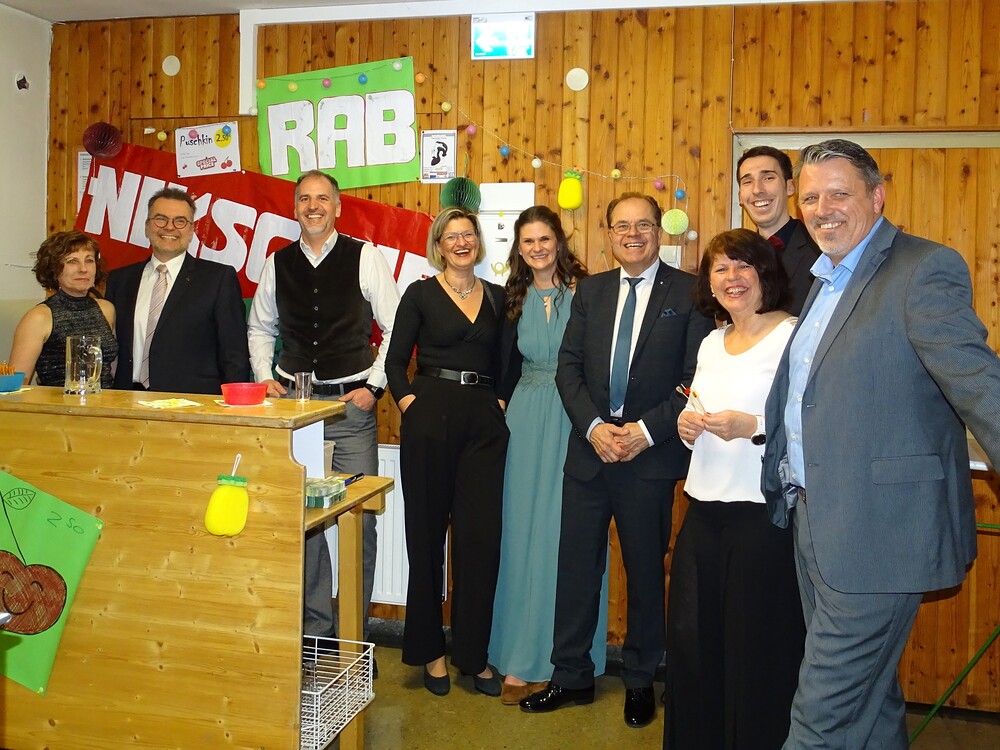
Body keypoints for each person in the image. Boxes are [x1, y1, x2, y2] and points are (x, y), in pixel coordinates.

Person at [762, 139, 1000, 749]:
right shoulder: (825, 278)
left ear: (877, 196)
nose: (822, 210)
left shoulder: (923, 269)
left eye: (838, 194)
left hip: (880, 532)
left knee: (819, 719)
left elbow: (980, 384)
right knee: (869, 702)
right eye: (810, 198)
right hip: (816, 521)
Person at [521, 193, 715, 728]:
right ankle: (571, 676)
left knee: (645, 573)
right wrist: (593, 427)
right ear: (608, 234)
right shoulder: (593, 291)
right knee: (576, 570)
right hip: (590, 454)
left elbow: (694, 377)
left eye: (643, 225)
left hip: (648, 459)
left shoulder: (689, 293)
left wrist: (645, 433)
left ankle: (639, 680)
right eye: (622, 226)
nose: (633, 234)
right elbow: (568, 366)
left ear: (659, 232)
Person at [665, 228, 804, 750]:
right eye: (720, 268)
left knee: (756, 651)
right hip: (703, 511)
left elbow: (808, 422)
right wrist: (686, 423)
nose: (732, 278)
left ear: (765, 272)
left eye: (743, 265)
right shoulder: (711, 341)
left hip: (761, 516)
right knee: (695, 646)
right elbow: (695, 405)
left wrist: (752, 427)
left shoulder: (793, 336)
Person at [248, 170, 399, 648]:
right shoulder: (277, 263)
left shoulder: (365, 256)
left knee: (360, 521)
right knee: (304, 524)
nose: (313, 206)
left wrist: (373, 388)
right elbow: (260, 328)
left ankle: (354, 640)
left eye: (322, 199)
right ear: (295, 207)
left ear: (337, 207)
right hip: (296, 412)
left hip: (351, 412)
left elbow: (396, 327)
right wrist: (264, 377)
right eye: (304, 199)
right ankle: (316, 634)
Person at [385, 206, 508, 698]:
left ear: (478, 241)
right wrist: (411, 406)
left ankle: (473, 656)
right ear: (438, 246)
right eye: (451, 236)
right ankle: (429, 651)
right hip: (429, 420)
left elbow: (509, 362)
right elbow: (395, 362)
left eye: (468, 234)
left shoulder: (498, 296)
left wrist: (498, 404)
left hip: (483, 426)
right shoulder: (419, 294)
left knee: (480, 542)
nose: (461, 242)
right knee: (426, 539)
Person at [489, 206, 609, 706]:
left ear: (559, 240)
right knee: (520, 535)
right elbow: (502, 364)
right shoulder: (511, 298)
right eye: (528, 241)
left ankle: (565, 658)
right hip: (525, 419)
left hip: (574, 418)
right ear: (518, 248)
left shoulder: (588, 292)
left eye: (545, 239)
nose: (537, 248)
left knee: (565, 539)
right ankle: (518, 655)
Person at [105, 187, 251, 393]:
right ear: (147, 227)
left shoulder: (218, 279)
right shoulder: (120, 280)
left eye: (180, 221)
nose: (169, 227)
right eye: (160, 219)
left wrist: (236, 403)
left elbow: (234, 353)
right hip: (127, 399)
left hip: (191, 403)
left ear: (191, 231)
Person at [10, 230, 118, 387]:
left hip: (106, 401)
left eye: (89, 260)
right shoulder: (39, 317)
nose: (83, 269)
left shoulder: (107, 309)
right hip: (58, 401)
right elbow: (15, 385)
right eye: (72, 261)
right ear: (54, 270)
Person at [736, 145, 820, 314]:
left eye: (768, 178)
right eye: (747, 181)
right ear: (740, 197)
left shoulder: (821, 250)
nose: (757, 190)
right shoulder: (735, 259)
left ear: (790, 187)